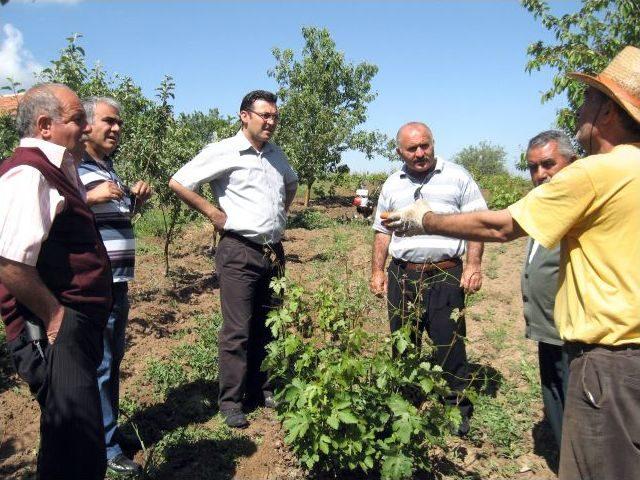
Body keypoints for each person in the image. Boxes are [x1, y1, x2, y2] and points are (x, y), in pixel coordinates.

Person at [382, 46, 640, 480]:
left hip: (610, 358)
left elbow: (501, 227)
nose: (579, 109)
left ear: (609, 112)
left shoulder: (597, 172)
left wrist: (423, 219)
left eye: (589, 99)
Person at [0, 83, 112, 479]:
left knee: (67, 445)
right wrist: (53, 316)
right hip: (53, 330)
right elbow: (9, 261)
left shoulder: (58, 170)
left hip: (70, 325)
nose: (86, 128)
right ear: (45, 125)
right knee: (78, 451)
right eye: (78, 119)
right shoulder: (28, 174)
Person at [169, 90, 298, 428]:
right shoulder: (223, 151)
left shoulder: (275, 154)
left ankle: (264, 388)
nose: (270, 121)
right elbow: (179, 182)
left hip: (273, 251)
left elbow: (292, 182)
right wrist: (213, 212)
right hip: (239, 249)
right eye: (264, 115)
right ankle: (231, 401)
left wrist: (279, 216)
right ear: (245, 116)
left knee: (270, 325)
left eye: (274, 116)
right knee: (237, 329)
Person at [370, 122, 487, 436]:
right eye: (412, 149)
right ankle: (406, 402)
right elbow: (382, 232)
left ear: (433, 144)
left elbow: (477, 223)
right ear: (400, 152)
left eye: (425, 146)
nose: (420, 153)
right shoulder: (392, 184)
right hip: (402, 274)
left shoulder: (457, 176)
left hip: (445, 273)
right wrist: (378, 270)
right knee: (404, 341)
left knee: (449, 342)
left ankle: (456, 408)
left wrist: (472, 265)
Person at [78, 96, 152, 475]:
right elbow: (55, 207)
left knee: (112, 361)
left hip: (117, 283)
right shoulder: (72, 166)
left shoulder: (106, 168)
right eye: (109, 121)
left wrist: (134, 198)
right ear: (86, 126)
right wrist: (90, 195)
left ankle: (107, 432)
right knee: (102, 365)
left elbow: (116, 216)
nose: (117, 128)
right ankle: (105, 448)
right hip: (95, 284)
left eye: (119, 122)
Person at [521, 130, 575, 453]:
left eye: (548, 164)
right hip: (547, 330)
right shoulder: (543, 206)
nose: (540, 174)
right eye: (532, 167)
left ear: (572, 163)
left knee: (579, 409)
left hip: (574, 336)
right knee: (554, 395)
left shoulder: (582, 206)